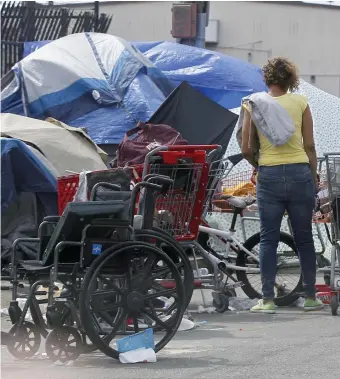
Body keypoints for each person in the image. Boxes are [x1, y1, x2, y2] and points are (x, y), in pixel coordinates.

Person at [241, 56, 324, 313]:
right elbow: (309, 145)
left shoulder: (253, 103)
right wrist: (313, 175)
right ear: (291, 80)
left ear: (266, 78)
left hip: (269, 175)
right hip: (300, 173)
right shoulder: (301, 102)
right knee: (304, 239)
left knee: (268, 239)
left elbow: (245, 148)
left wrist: (260, 163)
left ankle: (267, 300)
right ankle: (310, 296)